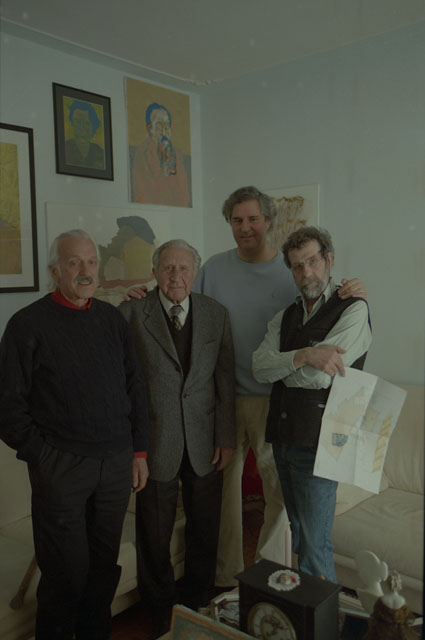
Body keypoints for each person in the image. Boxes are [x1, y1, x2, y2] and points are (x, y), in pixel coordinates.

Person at [193, 185, 366, 587]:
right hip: (225, 396)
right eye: (237, 220)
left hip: (277, 404)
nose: (245, 227)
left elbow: (322, 334)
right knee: (225, 490)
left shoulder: (300, 277)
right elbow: (187, 304)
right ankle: (226, 581)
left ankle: (264, 580)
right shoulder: (214, 269)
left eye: (253, 219)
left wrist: (355, 291)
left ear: (268, 221)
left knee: (281, 502)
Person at [0, 229, 149, 640]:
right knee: (65, 574)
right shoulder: (26, 325)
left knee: (103, 571)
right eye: (73, 262)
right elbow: (8, 406)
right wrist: (44, 458)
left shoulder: (112, 320)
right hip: (61, 469)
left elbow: (134, 387)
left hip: (115, 465)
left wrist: (138, 452)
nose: (85, 270)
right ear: (55, 271)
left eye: (91, 262)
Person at [119, 239, 235, 637]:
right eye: (168, 267)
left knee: (205, 527)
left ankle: (198, 602)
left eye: (184, 267)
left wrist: (225, 437)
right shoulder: (131, 313)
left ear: (195, 272)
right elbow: (122, 385)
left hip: (205, 440)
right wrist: (131, 447)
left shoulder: (216, 314)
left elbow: (224, 380)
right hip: (154, 442)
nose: (176, 275)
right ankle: (160, 610)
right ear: (154, 272)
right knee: (154, 533)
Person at [252, 226, 371, 583]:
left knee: (315, 549)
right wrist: (305, 355)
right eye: (298, 266)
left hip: (322, 442)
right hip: (284, 439)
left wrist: (284, 367)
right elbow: (259, 367)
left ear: (329, 260)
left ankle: (323, 615)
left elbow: (321, 378)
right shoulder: (285, 316)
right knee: (301, 537)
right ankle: (308, 611)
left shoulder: (354, 308)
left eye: (313, 262)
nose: (307, 273)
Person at [131, 102, 191, 207]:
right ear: (149, 129)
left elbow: (184, 198)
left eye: (167, 126)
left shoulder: (176, 155)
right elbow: (141, 198)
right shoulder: (141, 154)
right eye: (159, 126)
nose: (163, 132)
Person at [65, 100, 105, 169]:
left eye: (86, 123)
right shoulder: (65, 148)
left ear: (93, 126)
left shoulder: (100, 152)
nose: (81, 127)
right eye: (78, 122)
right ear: (72, 123)